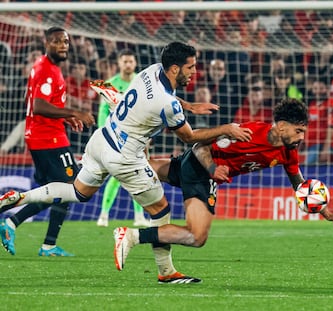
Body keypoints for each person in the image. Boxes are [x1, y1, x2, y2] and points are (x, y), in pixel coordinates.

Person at [0, 41, 252, 283]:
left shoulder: (152, 70)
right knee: (161, 210)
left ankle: (18, 198)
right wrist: (226, 129)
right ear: (175, 69)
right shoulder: (168, 103)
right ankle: (166, 271)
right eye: (191, 67)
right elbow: (190, 138)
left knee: (77, 192)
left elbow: (168, 99)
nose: (194, 72)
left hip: (102, 140)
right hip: (124, 157)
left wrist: (188, 105)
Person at [112, 98, 333, 279]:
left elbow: (298, 182)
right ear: (282, 126)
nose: (302, 137)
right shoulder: (249, 134)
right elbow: (199, 147)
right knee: (196, 236)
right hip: (201, 170)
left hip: (200, 171)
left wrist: (324, 211)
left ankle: (133, 125)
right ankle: (132, 236)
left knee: (144, 167)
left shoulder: (288, 150)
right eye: (299, 131)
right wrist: (213, 169)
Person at [0, 26, 95, 256]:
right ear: (47, 43)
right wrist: (76, 112)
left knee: (57, 191)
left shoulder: (48, 67)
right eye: (57, 41)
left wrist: (67, 116)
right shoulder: (46, 70)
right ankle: (18, 222)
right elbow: (40, 106)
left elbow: (39, 101)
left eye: (66, 42)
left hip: (46, 135)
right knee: (70, 188)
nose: (63, 45)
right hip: (47, 138)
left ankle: (41, 241)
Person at [96, 49, 150, 228]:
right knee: (116, 175)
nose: (128, 64)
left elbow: (145, 109)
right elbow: (103, 111)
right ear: (119, 63)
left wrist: (146, 134)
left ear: (135, 63)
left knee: (137, 173)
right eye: (124, 61)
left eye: (130, 61)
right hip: (115, 137)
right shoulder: (110, 84)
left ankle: (139, 216)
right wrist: (104, 133)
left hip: (136, 136)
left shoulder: (140, 82)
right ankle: (104, 215)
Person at [305, 77, 333, 165]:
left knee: (307, 170)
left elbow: (332, 128)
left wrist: (325, 149)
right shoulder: (312, 104)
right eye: (315, 89)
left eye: (321, 88)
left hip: (321, 146)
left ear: (327, 89)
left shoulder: (332, 105)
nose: (318, 91)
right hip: (311, 145)